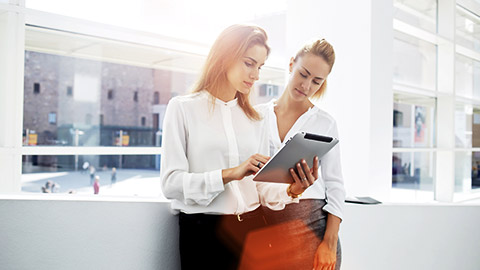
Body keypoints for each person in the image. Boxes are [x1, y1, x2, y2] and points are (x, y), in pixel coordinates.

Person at [160, 24, 271, 270]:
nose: (256, 75)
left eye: (260, 67)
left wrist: (293, 188)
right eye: (249, 63)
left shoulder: (256, 119)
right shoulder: (182, 108)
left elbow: (261, 186)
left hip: (252, 231)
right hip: (203, 235)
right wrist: (230, 173)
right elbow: (170, 183)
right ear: (226, 56)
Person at [255, 38, 345, 270]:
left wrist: (329, 242)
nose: (306, 86)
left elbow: (335, 185)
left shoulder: (324, 123)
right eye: (303, 74)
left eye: (317, 81)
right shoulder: (257, 116)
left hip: (312, 230)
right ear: (291, 64)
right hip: (265, 231)